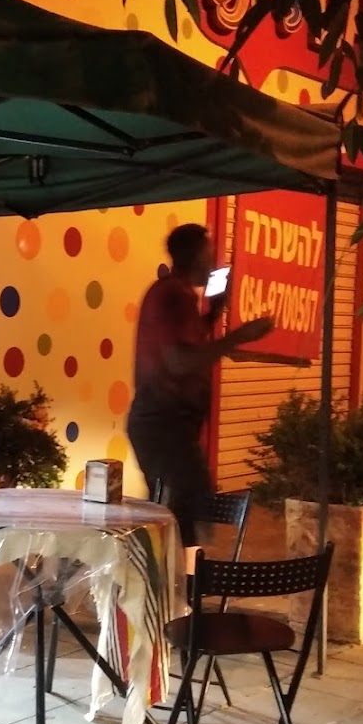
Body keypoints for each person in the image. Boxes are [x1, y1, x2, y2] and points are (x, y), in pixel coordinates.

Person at [126, 223, 289, 543]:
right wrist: (238, 337)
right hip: (163, 425)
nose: (214, 262)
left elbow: (187, 346)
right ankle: (177, 570)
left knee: (183, 512)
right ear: (196, 258)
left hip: (169, 426)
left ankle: (180, 569)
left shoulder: (180, 295)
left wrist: (214, 312)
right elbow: (180, 362)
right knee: (182, 514)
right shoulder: (173, 294)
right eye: (210, 255)